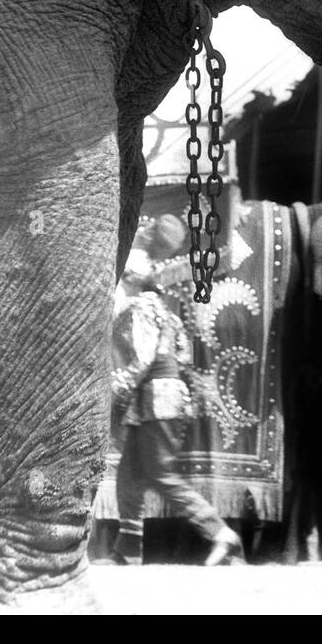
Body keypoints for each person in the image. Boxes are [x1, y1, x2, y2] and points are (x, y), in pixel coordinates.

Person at [111, 222, 243, 567]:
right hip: (160, 397)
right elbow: (182, 353)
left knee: (160, 473)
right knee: (129, 474)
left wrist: (117, 391)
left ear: (135, 280)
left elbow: (140, 360)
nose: (121, 284)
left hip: (156, 398)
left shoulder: (140, 308)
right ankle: (127, 548)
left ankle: (220, 533)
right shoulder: (165, 311)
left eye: (124, 279)